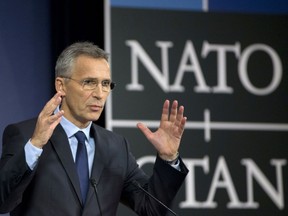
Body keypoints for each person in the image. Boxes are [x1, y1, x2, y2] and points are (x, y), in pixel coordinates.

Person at [0, 42, 188, 216]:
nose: (99, 94)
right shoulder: (26, 135)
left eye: (105, 84)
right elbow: (2, 201)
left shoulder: (115, 147)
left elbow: (152, 209)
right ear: (61, 85)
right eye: (89, 82)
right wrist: (35, 145)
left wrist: (168, 158)